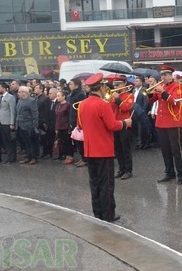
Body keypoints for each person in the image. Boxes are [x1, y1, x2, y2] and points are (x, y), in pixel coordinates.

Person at [78, 73, 132, 222]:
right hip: (103, 150)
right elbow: (113, 125)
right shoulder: (103, 104)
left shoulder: (82, 104)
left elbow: (80, 125)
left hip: (89, 150)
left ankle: (98, 213)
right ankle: (108, 214)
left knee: (94, 183)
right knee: (106, 184)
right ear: (101, 87)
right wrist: (125, 123)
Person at [149, 65, 182, 185]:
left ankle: (181, 174)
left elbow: (174, 101)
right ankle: (169, 172)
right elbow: (151, 100)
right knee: (165, 149)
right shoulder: (162, 87)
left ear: (171, 75)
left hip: (172, 122)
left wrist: (162, 91)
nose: (163, 77)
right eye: (162, 75)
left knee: (175, 149)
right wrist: (150, 92)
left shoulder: (177, 86)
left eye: (165, 75)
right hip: (161, 122)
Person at [108, 75, 134, 180]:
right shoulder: (113, 96)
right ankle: (121, 169)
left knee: (125, 149)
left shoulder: (129, 96)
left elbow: (125, 107)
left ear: (123, 85)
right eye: (114, 85)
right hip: (116, 124)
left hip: (125, 124)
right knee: (118, 149)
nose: (115, 87)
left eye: (118, 84)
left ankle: (128, 170)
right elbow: (110, 108)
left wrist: (117, 98)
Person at [15, 86, 39, 165]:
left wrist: (34, 126)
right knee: (26, 142)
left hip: (29, 125)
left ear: (24, 93)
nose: (18, 94)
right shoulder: (20, 100)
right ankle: (28, 156)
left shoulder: (31, 101)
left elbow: (35, 114)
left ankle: (34, 157)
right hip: (21, 124)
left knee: (31, 142)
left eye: (19, 92)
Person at [0, 82, 17, 164]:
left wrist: (12, 123)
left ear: (4, 88)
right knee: (5, 141)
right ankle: (8, 156)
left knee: (10, 141)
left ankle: (12, 157)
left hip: (8, 122)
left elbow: (12, 111)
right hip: (1, 122)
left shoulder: (10, 97)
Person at [54, 90, 74, 164]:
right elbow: (56, 117)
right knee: (62, 142)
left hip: (65, 126)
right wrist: (56, 127)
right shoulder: (58, 105)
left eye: (59, 96)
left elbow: (69, 117)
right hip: (59, 126)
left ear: (64, 96)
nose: (57, 97)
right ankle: (65, 155)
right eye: (57, 95)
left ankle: (70, 156)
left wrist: (70, 127)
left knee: (68, 142)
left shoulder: (68, 105)